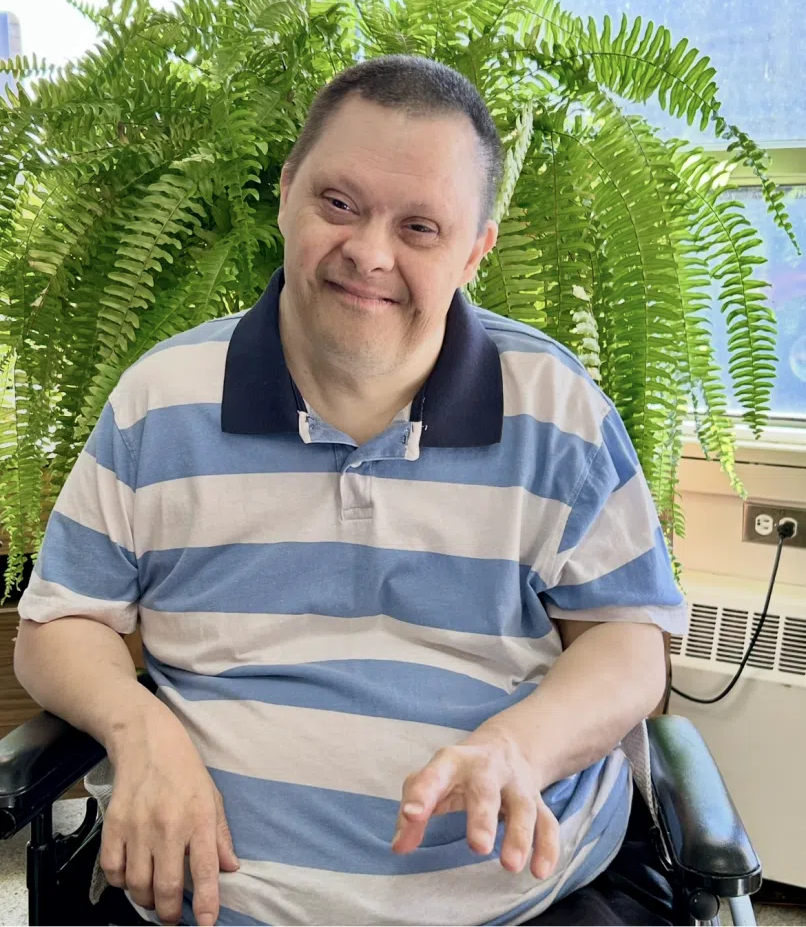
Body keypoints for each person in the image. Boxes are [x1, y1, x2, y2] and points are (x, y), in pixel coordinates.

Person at [14, 55, 688, 927]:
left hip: (516, 905)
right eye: (338, 204)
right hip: (215, 902)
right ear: (286, 193)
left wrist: (519, 747)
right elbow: (59, 624)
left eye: (420, 228)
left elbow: (627, 644)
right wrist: (139, 733)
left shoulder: (558, 410)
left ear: (475, 252)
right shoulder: (161, 400)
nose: (369, 253)